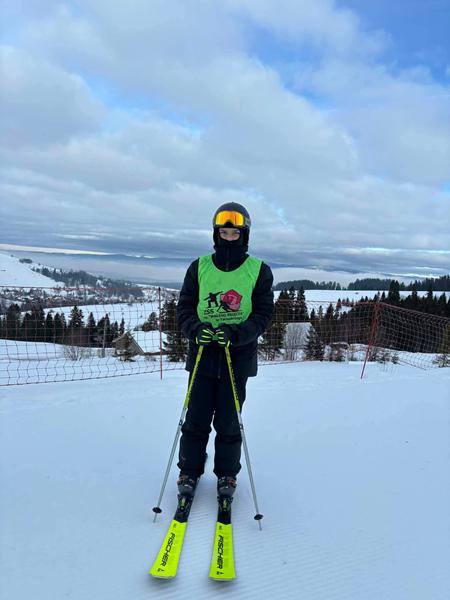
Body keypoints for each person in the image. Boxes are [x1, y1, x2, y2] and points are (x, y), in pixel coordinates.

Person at [176, 202, 274, 498]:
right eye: (224, 232)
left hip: (237, 358)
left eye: (234, 233)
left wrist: (236, 333)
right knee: (196, 419)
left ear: (244, 235)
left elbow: (262, 314)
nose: (229, 237)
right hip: (203, 355)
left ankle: (227, 475)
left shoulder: (258, 270)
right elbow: (184, 308)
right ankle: (189, 471)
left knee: (229, 421)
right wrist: (196, 329)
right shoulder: (199, 267)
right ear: (215, 233)